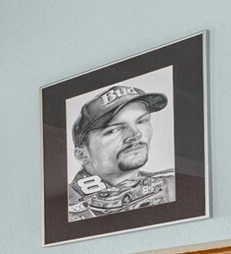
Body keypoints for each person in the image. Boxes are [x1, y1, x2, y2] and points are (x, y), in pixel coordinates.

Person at [68, 84, 175, 222]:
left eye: (141, 121)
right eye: (113, 130)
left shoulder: (171, 186)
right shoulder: (65, 209)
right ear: (82, 155)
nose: (136, 134)